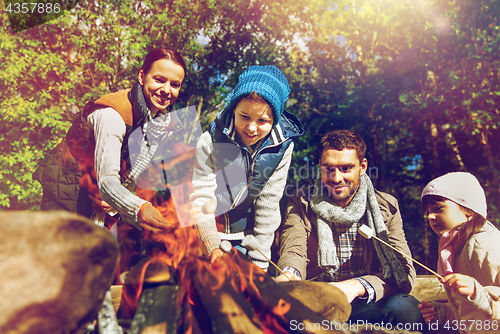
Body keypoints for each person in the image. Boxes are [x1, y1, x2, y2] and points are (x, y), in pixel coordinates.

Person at [33, 47, 186, 240]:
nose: (166, 90)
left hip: (102, 210)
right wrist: (140, 207)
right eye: (159, 80)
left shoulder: (161, 124)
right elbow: (107, 181)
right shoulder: (112, 115)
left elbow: (134, 174)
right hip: (68, 198)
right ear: (141, 77)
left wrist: (116, 201)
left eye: (175, 84)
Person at [276, 129, 424, 327]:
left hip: (366, 302)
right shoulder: (301, 201)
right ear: (320, 166)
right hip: (315, 302)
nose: (337, 178)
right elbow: (294, 250)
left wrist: (357, 286)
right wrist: (289, 274)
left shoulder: (386, 207)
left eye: (346, 168)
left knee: (406, 310)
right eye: (329, 169)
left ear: (362, 167)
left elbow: (404, 272)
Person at [190, 65, 303, 271]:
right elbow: (201, 199)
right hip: (206, 235)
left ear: (275, 120)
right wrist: (212, 246)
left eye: (262, 121)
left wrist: (259, 262)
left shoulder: (283, 147)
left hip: (247, 241)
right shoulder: (209, 142)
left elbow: (268, 205)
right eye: (244, 117)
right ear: (234, 109)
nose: (251, 128)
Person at [418, 172, 500, 334]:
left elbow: (487, 303)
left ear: (469, 211)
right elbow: (475, 314)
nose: (430, 217)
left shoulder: (484, 244)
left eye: (438, 209)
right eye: (428, 212)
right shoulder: (455, 250)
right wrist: (446, 312)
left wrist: (481, 295)